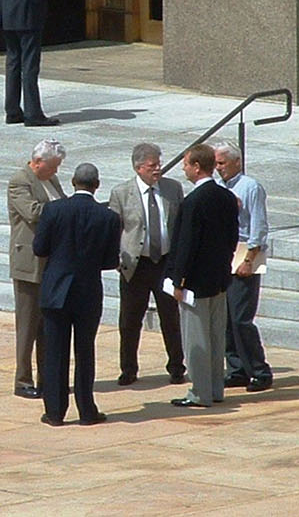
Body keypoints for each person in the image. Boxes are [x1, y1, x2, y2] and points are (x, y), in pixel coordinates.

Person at [32, 162, 121, 426]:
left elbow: (39, 248)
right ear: (97, 185)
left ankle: (55, 411)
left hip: (56, 290)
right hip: (87, 292)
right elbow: (109, 261)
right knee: (85, 352)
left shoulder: (54, 210)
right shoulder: (108, 217)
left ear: (73, 182)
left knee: (55, 352)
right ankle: (86, 410)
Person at [164, 143, 240, 408]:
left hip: (195, 283)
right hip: (219, 279)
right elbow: (232, 239)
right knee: (216, 337)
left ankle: (199, 392)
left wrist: (178, 280)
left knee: (196, 340)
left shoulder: (193, 202)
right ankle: (216, 388)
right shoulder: (226, 197)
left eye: (186, 164)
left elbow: (186, 245)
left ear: (197, 167)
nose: (184, 169)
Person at [106, 142, 187, 386]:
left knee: (170, 318)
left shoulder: (173, 189)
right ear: (139, 167)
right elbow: (114, 229)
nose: (157, 169)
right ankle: (128, 369)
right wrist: (118, 260)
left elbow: (180, 225)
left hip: (165, 262)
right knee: (130, 320)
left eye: (159, 164)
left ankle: (176, 367)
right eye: (152, 165)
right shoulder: (122, 193)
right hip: (136, 265)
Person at [7, 138, 67, 399]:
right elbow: (34, 213)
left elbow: (60, 203)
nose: (55, 172)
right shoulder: (20, 181)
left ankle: (47, 377)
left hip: (52, 262)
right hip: (29, 263)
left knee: (47, 325)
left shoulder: (50, 180)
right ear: (38, 162)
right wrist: (66, 212)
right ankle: (23, 380)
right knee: (27, 325)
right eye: (52, 166)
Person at [214, 141, 273, 392]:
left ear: (237, 162)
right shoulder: (218, 187)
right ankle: (236, 368)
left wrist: (249, 259)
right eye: (216, 163)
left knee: (241, 318)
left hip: (245, 252)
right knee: (226, 318)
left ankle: (259, 369)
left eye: (222, 163)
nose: (218, 168)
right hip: (225, 253)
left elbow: (258, 227)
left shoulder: (250, 187)